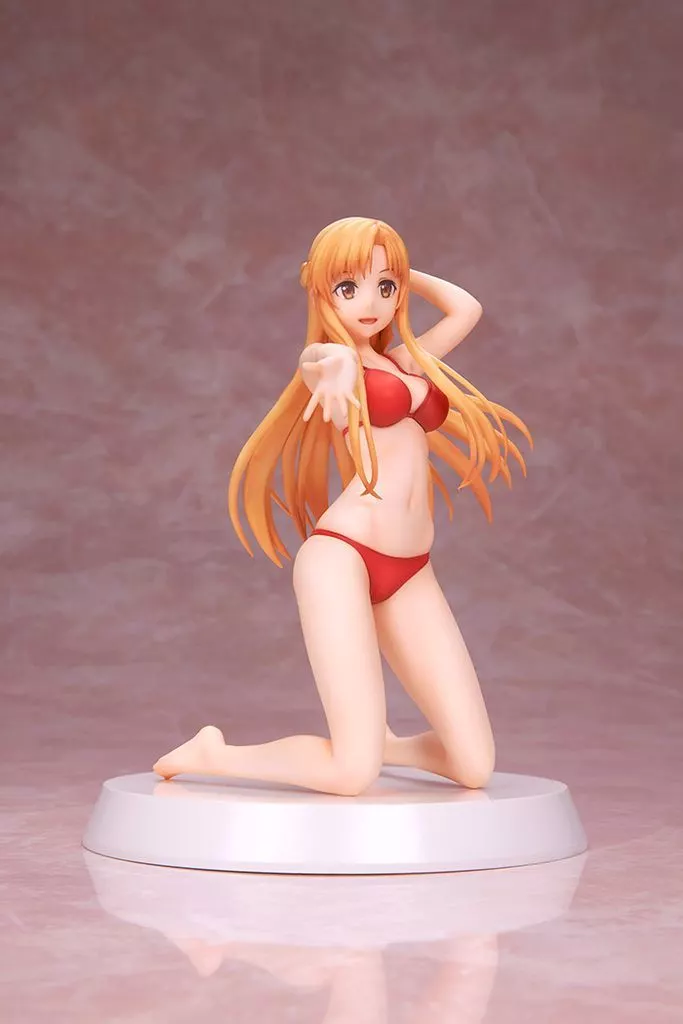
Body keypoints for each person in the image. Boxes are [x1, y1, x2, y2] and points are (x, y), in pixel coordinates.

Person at [153, 217, 532, 796]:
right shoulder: (330, 357)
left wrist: (399, 271)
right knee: (352, 773)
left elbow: (466, 308)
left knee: (472, 766)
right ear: (322, 291)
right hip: (344, 556)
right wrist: (331, 371)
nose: (370, 303)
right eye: (348, 287)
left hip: (412, 569)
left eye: (385, 287)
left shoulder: (406, 361)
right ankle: (216, 755)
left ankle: (387, 744)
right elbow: (321, 362)